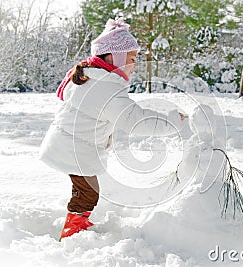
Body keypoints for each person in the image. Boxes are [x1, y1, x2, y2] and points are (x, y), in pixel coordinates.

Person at [39, 18, 185, 240]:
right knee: (88, 194)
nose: (135, 64)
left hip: (68, 145)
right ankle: (72, 235)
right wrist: (172, 121)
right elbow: (135, 120)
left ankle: (77, 225)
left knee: (86, 191)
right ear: (113, 57)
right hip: (74, 150)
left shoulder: (91, 77)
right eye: (132, 58)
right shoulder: (105, 87)